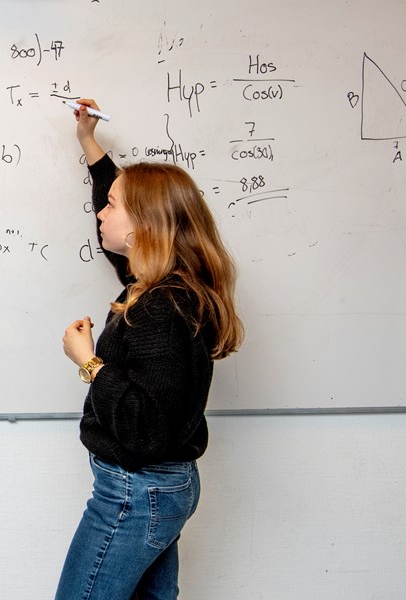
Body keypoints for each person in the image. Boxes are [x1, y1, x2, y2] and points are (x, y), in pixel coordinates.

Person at [55, 100, 244, 600]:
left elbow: (147, 427)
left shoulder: (161, 308)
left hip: (136, 493)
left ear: (143, 225)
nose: (102, 210)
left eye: (113, 204)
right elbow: (119, 221)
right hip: (154, 489)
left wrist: (89, 363)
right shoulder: (160, 283)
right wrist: (90, 147)